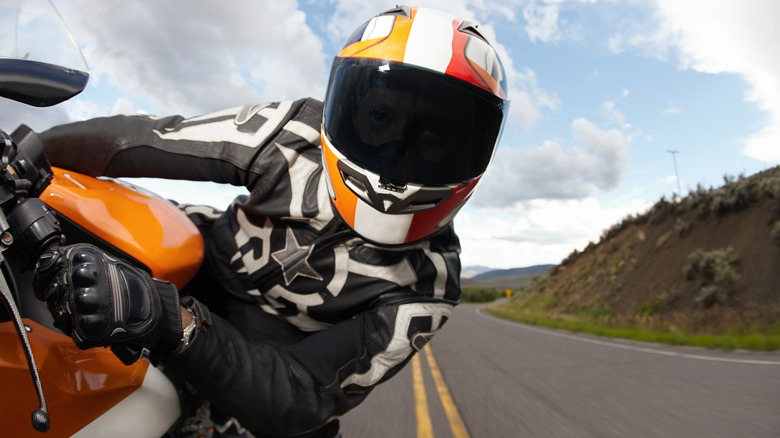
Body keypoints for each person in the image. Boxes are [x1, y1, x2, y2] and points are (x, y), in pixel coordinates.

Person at [33, 5, 509, 438]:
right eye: (380, 115)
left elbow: (304, 393)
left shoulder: (430, 285)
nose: (396, 151)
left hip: (271, 358)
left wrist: (168, 320)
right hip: (201, 267)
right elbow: (148, 140)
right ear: (344, 105)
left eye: (434, 134)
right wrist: (29, 148)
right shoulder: (294, 133)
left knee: (310, 429)